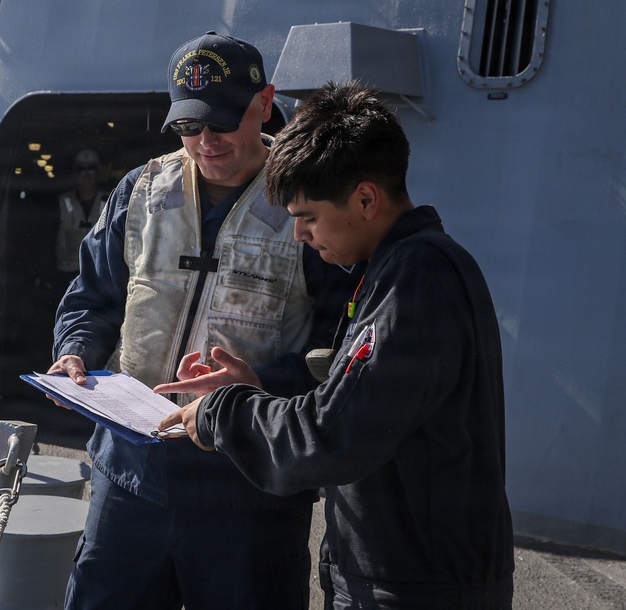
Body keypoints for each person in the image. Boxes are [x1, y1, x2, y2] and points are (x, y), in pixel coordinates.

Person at [157, 80, 515, 609]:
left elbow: (331, 437)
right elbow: (358, 405)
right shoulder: (398, 270)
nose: (300, 235)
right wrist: (257, 386)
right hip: (409, 574)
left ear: (366, 198)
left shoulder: (416, 280)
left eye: (308, 217)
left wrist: (223, 412)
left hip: (414, 587)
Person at [49, 32, 359, 610]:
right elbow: (92, 295)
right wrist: (75, 351)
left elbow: (340, 348)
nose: (205, 142)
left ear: (265, 104)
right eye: (189, 127)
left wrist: (262, 385)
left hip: (250, 483)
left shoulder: (310, 202)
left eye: (221, 122)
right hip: (131, 473)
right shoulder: (140, 191)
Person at [54, 149, 108, 293]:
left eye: (91, 168)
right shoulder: (60, 203)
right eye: (81, 169)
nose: (86, 173)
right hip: (66, 276)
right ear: (74, 172)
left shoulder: (111, 201)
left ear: (99, 171)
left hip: (100, 277)